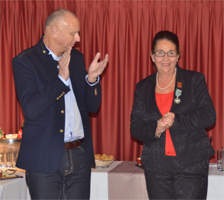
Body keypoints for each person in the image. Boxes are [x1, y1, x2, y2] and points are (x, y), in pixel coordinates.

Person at [12, 8, 108, 199]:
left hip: (79, 154)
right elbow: (31, 109)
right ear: (55, 31)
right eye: (73, 33)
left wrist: (92, 80)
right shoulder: (25, 61)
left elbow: (92, 108)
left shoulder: (77, 59)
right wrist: (61, 82)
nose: (78, 38)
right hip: (44, 158)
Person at [130, 30, 216, 199]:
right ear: (152, 56)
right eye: (160, 53)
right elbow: (135, 128)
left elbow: (208, 115)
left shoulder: (194, 80)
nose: (166, 58)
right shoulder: (143, 87)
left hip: (191, 165)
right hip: (156, 168)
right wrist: (156, 128)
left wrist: (176, 121)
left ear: (178, 56)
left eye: (171, 53)